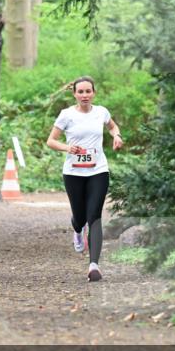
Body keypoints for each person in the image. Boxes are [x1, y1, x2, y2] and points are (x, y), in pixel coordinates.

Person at [46, 76, 123, 281]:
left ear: (94, 93)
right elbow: (51, 141)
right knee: (80, 217)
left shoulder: (101, 112)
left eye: (88, 91)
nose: (85, 95)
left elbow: (112, 126)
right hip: (73, 172)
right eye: (80, 92)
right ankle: (77, 230)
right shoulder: (66, 115)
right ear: (74, 94)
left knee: (94, 215)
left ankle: (93, 266)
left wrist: (116, 136)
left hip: (98, 170)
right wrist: (67, 147)